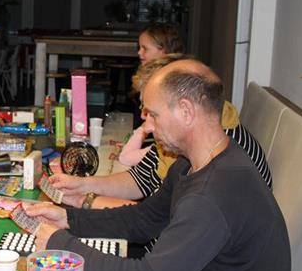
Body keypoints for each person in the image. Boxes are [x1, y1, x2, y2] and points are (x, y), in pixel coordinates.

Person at [26, 60, 300, 271]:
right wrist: (69, 219)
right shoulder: (192, 165)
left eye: (153, 114)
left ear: (186, 111)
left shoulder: (213, 196)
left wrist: (62, 245)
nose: (147, 125)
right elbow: (144, 219)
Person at [51, 55, 271, 210]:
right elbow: (141, 182)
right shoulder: (189, 136)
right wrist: (83, 186)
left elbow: (158, 220)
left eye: (152, 112)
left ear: (184, 109)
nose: (145, 119)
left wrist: (86, 201)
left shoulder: (211, 153)